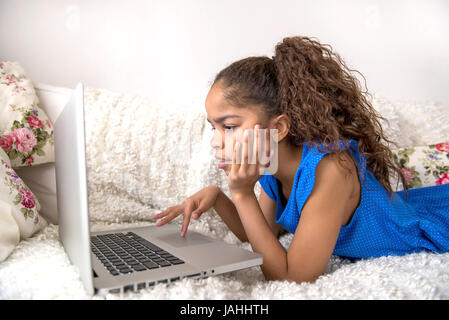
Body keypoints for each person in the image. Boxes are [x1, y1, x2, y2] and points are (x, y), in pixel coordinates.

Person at [152, 36, 449, 284]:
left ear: (278, 128)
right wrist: (219, 196)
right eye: (212, 127)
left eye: (229, 126)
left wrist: (242, 194)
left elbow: (292, 277)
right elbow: (257, 234)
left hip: (426, 228)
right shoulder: (271, 168)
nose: (216, 141)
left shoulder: (332, 169)